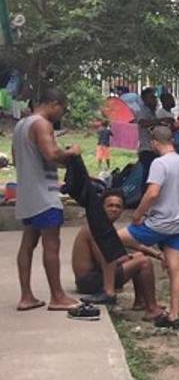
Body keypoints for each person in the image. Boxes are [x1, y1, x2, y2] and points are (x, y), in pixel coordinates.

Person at [14, 88, 81, 311]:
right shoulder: (42, 124)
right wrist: (72, 152)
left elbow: (20, 158)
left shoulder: (21, 125)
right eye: (63, 109)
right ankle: (58, 296)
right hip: (44, 194)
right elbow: (51, 154)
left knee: (27, 244)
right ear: (54, 104)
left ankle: (26, 296)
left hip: (27, 193)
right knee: (51, 244)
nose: (62, 114)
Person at [121, 126, 179, 329]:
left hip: (158, 223)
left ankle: (111, 283)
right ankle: (174, 314)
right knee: (175, 269)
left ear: (154, 142)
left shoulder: (159, 163)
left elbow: (152, 193)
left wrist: (137, 215)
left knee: (115, 237)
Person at [73, 189, 163, 319]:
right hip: (89, 281)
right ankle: (152, 308)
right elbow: (104, 261)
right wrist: (129, 258)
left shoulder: (105, 226)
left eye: (118, 206)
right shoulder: (95, 228)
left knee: (139, 257)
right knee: (143, 262)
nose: (114, 209)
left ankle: (140, 302)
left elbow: (135, 244)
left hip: (97, 276)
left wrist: (158, 255)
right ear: (101, 208)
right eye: (110, 205)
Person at [132, 87, 168, 191]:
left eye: (155, 97)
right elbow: (143, 123)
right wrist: (160, 121)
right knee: (149, 177)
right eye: (152, 97)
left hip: (154, 149)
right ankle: (145, 199)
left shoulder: (153, 113)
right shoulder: (143, 111)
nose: (155, 100)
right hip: (146, 149)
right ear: (144, 99)